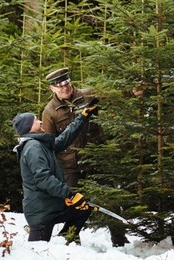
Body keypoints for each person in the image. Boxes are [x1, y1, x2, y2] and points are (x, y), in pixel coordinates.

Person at [42, 67, 128, 247]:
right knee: (74, 205)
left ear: (69, 81)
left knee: (111, 199)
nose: (64, 88)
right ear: (52, 89)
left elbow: (114, 94)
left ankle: (119, 240)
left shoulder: (88, 96)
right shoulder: (50, 111)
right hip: (70, 165)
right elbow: (50, 145)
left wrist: (133, 91)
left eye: (65, 83)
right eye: (59, 86)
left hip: (97, 158)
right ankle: (71, 240)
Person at [12, 104, 98, 244]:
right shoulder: (33, 148)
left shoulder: (40, 144)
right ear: (29, 127)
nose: (40, 121)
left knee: (82, 209)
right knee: (37, 252)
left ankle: (65, 242)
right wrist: (70, 194)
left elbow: (64, 139)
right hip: (42, 212)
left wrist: (82, 117)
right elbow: (43, 179)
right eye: (36, 120)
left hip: (53, 207)